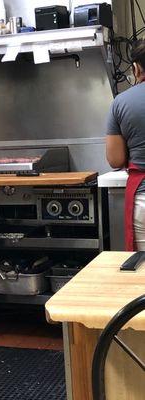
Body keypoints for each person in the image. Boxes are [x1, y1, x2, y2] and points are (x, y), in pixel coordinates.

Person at [106, 40, 145, 251]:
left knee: (143, 272)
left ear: (136, 68)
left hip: (143, 198)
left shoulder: (121, 102)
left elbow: (115, 159)